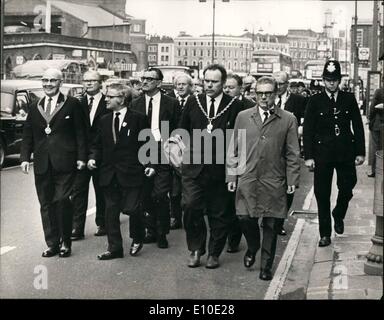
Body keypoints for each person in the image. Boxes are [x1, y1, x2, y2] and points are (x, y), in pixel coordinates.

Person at [227, 76, 300, 281]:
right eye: (260, 93)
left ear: (276, 94)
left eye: (268, 93)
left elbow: (293, 153)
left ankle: (266, 266)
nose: (264, 97)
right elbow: (234, 149)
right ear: (254, 94)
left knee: (271, 225)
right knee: (243, 217)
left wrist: (292, 180)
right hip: (248, 178)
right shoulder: (243, 116)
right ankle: (252, 246)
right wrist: (232, 174)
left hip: (274, 180)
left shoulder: (288, 119)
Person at [179, 64, 244, 269]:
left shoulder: (234, 105)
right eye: (206, 80)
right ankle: (196, 249)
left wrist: (233, 172)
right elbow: (181, 131)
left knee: (219, 213)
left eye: (214, 82)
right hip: (193, 168)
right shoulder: (192, 101)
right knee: (190, 207)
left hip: (220, 170)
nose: (209, 85)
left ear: (223, 83)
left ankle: (214, 253)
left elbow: (237, 141)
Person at [20, 68, 87, 258]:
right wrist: (25, 157)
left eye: (52, 80)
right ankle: (52, 244)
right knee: (46, 204)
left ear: (60, 82)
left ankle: (65, 241)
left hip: (65, 162)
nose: (48, 84)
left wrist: (82, 157)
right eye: (45, 80)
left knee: (62, 201)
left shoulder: (72, 104)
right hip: (42, 163)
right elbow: (28, 134)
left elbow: (81, 133)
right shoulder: (35, 105)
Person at [88, 83, 155, 260]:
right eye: (106, 96)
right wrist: (93, 157)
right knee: (111, 212)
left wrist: (150, 164)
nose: (106, 99)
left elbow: (147, 144)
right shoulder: (104, 120)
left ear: (122, 99)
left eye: (110, 96)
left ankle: (138, 236)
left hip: (132, 173)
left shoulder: (138, 119)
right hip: (109, 174)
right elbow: (97, 144)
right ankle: (114, 248)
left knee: (132, 209)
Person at [303, 59, 365, 247]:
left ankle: (338, 213)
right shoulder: (314, 101)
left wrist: (360, 152)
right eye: (329, 79)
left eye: (335, 79)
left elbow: (358, 126)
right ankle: (325, 234)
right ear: (323, 80)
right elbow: (308, 129)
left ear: (340, 80)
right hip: (322, 153)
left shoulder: (349, 99)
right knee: (322, 194)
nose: (332, 83)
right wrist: (309, 156)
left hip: (346, 151)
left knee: (348, 186)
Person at [131, 67, 180, 249]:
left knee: (160, 193)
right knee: (145, 193)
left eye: (149, 79)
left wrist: (173, 147)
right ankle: (150, 230)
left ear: (159, 83)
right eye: (142, 78)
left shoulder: (171, 103)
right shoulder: (135, 103)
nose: (144, 82)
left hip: (163, 149)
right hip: (143, 150)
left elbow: (177, 127)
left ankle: (162, 231)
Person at [71, 70, 110, 240]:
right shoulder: (78, 102)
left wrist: (96, 154)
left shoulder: (108, 101)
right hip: (81, 154)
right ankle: (76, 228)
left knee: (101, 190)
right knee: (78, 191)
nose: (88, 84)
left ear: (100, 83)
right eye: (86, 81)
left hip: (103, 154)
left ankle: (102, 222)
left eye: (92, 81)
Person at [272, 71, 307, 236]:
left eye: (281, 84)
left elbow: (305, 119)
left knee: (289, 186)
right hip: (271, 148)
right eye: (276, 83)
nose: (278, 87)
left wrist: (301, 129)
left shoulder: (298, 100)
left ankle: (279, 220)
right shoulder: (268, 99)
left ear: (288, 84)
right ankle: (270, 218)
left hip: (290, 148)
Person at [223, 74, 255, 253]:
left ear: (241, 88)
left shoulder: (249, 107)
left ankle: (234, 238)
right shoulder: (221, 106)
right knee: (226, 201)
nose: (227, 90)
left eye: (231, 87)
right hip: (223, 157)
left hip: (242, 158)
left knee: (238, 200)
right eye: (225, 87)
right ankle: (228, 234)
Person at [169, 73, 194, 230]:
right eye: (178, 84)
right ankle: (175, 216)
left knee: (189, 183)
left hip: (190, 147)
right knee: (174, 187)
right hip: (173, 147)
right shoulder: (170, 101)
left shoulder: (195, 101)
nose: (180, 87)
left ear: (190, 86)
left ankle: (190, 214)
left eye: (184, 84)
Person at [367, 78, 383, 178]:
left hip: (377, 124)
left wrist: (370, 119)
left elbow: (372, 107)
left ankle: (375, 171)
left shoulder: (379, 91)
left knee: (376, 148)